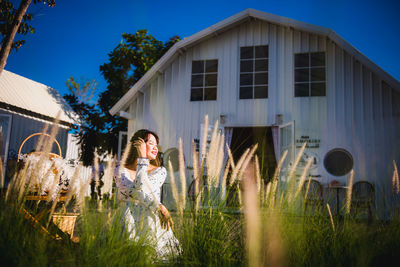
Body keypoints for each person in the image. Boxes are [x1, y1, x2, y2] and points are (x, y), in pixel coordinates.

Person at [115, 129, 180, 259]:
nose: (156, 148)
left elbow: (142, 189)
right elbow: (137, 193)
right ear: (139, 144)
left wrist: (142, 160)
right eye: (151, 143)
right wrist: (159, 205)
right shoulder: (120, 170)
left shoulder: (160, 171)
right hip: (128, 221)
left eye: (156, 145)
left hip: (151, 219)